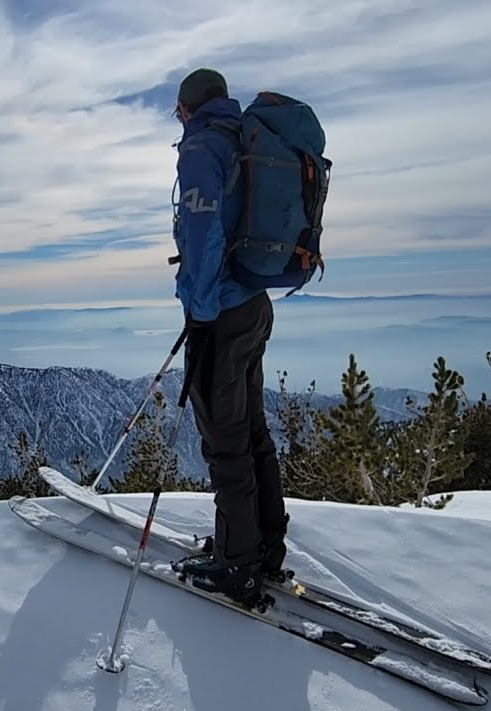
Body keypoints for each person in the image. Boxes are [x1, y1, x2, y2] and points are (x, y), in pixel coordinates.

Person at [170, 68, 289, 604]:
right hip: (254, 305)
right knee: (252, 432)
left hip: (219, 313)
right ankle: (263, 545)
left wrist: (198, 311)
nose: (179, 121)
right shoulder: (245, 140)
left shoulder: (203, 149)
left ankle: (237, 565)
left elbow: (203, 233)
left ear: (191, 108)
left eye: (178, 111)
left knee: (224, 439)